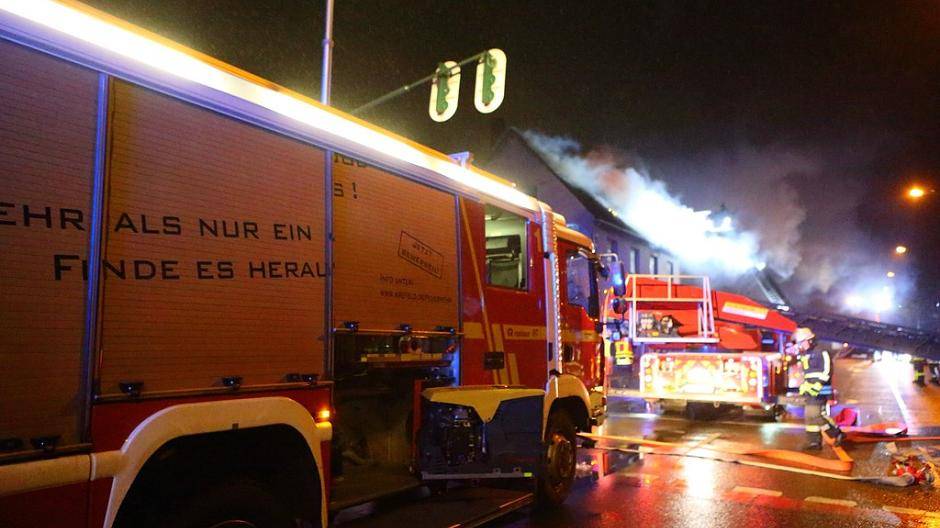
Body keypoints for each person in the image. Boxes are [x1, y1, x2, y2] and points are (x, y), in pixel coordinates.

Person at [795, 327, 844, 450]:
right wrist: (805, 385)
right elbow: (808, 373)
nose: (801, 345)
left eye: (802, 342)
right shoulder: (805, 354)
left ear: (810, 340)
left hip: (821, 389)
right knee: (809, 416)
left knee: (816, 415)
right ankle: (814, 442)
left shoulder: (822, 351)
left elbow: (827, 371)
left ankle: (836, 433)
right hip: (810, 390)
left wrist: (818, 384)